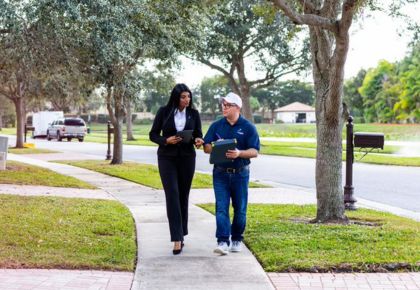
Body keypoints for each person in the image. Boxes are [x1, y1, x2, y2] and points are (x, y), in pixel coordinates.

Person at [149, 83, 204, 255]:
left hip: (187, 158)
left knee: (183, 196)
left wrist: (198, 141)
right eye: (183, 97)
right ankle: (176, 239)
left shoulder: (194, 114)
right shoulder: (164, 112)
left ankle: (182, 234)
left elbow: (198, 134)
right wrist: (166, 140)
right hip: (167, 158)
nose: (187, 100)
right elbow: (153, 135)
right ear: (176, 97)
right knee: (172, 194)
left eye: (188, 96)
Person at [203, 92, 260, 255]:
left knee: (240, 208)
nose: (224, 107)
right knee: (221, 207)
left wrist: (239, 153)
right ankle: (222, 241)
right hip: (220, 173)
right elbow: (207, 148)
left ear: (237, 107)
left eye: (227, 105)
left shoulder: (248, 127)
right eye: (223, 105)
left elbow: (254, 151)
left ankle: (236, 239)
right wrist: (213, 145)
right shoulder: (216, 125)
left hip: (240, 174)